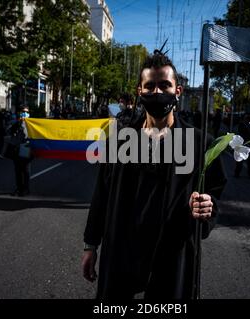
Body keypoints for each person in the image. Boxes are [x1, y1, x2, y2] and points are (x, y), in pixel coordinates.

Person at [81, 50, 227, 299]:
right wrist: (90, 245)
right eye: (150, 86)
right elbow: (101, 196)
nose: (157, 93)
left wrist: (207, 209)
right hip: (122, 252)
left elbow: (214, 194)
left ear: (177, 91)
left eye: (165, 85)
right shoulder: (118, 142)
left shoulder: (200, 143)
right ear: (140, 91)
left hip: (171, 255)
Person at [8, 106, 31, 197]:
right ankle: (19, 188)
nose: (24, 113)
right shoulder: (15, 122)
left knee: (25, 170)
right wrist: (18, 123)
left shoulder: (31, 123)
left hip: (25, 147)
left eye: (26, 112)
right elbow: (8, 131)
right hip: (16, 147)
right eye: (23, 111)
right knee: (17, 170)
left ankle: (26, 189)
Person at [234, 113, 250, 178]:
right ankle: (237, 173)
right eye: (247, 118)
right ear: (243, 119)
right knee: (240, 160)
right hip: (243, 144)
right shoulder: (242, 125)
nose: (249, 120)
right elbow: (241, 134)